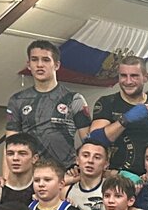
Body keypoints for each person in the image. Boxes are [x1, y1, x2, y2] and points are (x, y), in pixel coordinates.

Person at [5, 40, 91, 174]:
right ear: (29, 65)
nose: (39, 65)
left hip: (65, 173)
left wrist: (82, 168)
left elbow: (89, 143)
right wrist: (7, 179)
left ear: (56, 65)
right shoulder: (17, 100)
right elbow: (10, 145)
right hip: (31, 174)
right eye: (34, 60)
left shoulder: (74, 99)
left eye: (46, 60)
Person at [89, 56, 148, 175]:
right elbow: (94, 140)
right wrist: (125, 119)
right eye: (123, 75)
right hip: (116, 176)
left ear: (146, 77)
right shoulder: (107, 103)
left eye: (134, 76)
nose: (128, 81)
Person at [66, 139, 110, 210]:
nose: (90, 161)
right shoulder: (66, 191)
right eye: (86, 156)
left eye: (97, 157)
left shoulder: (113, 188)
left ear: (106, 164)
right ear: (77, 160)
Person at [1, 132, 40, 206]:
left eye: (22, 153)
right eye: (10, 153)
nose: (15, 158)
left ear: (34, 158)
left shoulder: (41, 188)